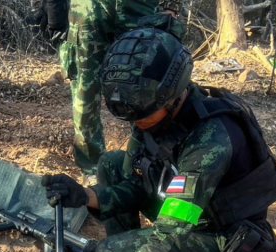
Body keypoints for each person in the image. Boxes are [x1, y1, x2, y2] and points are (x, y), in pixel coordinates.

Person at [43, 27, 276, 252]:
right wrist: (85, 196)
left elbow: (169, 238)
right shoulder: (152, 115)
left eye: (141, 115)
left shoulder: (209, 140)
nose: (135, 123)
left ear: (171, 97)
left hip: (225, 235)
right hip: (192, 213)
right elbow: (134, 184)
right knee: (111, 165)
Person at [59, 0, 184, 178]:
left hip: (141, 7)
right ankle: (92, 171)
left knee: (152, 86)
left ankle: (156, 165)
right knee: (84, 90)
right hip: (88, 8)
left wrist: (171, 5)